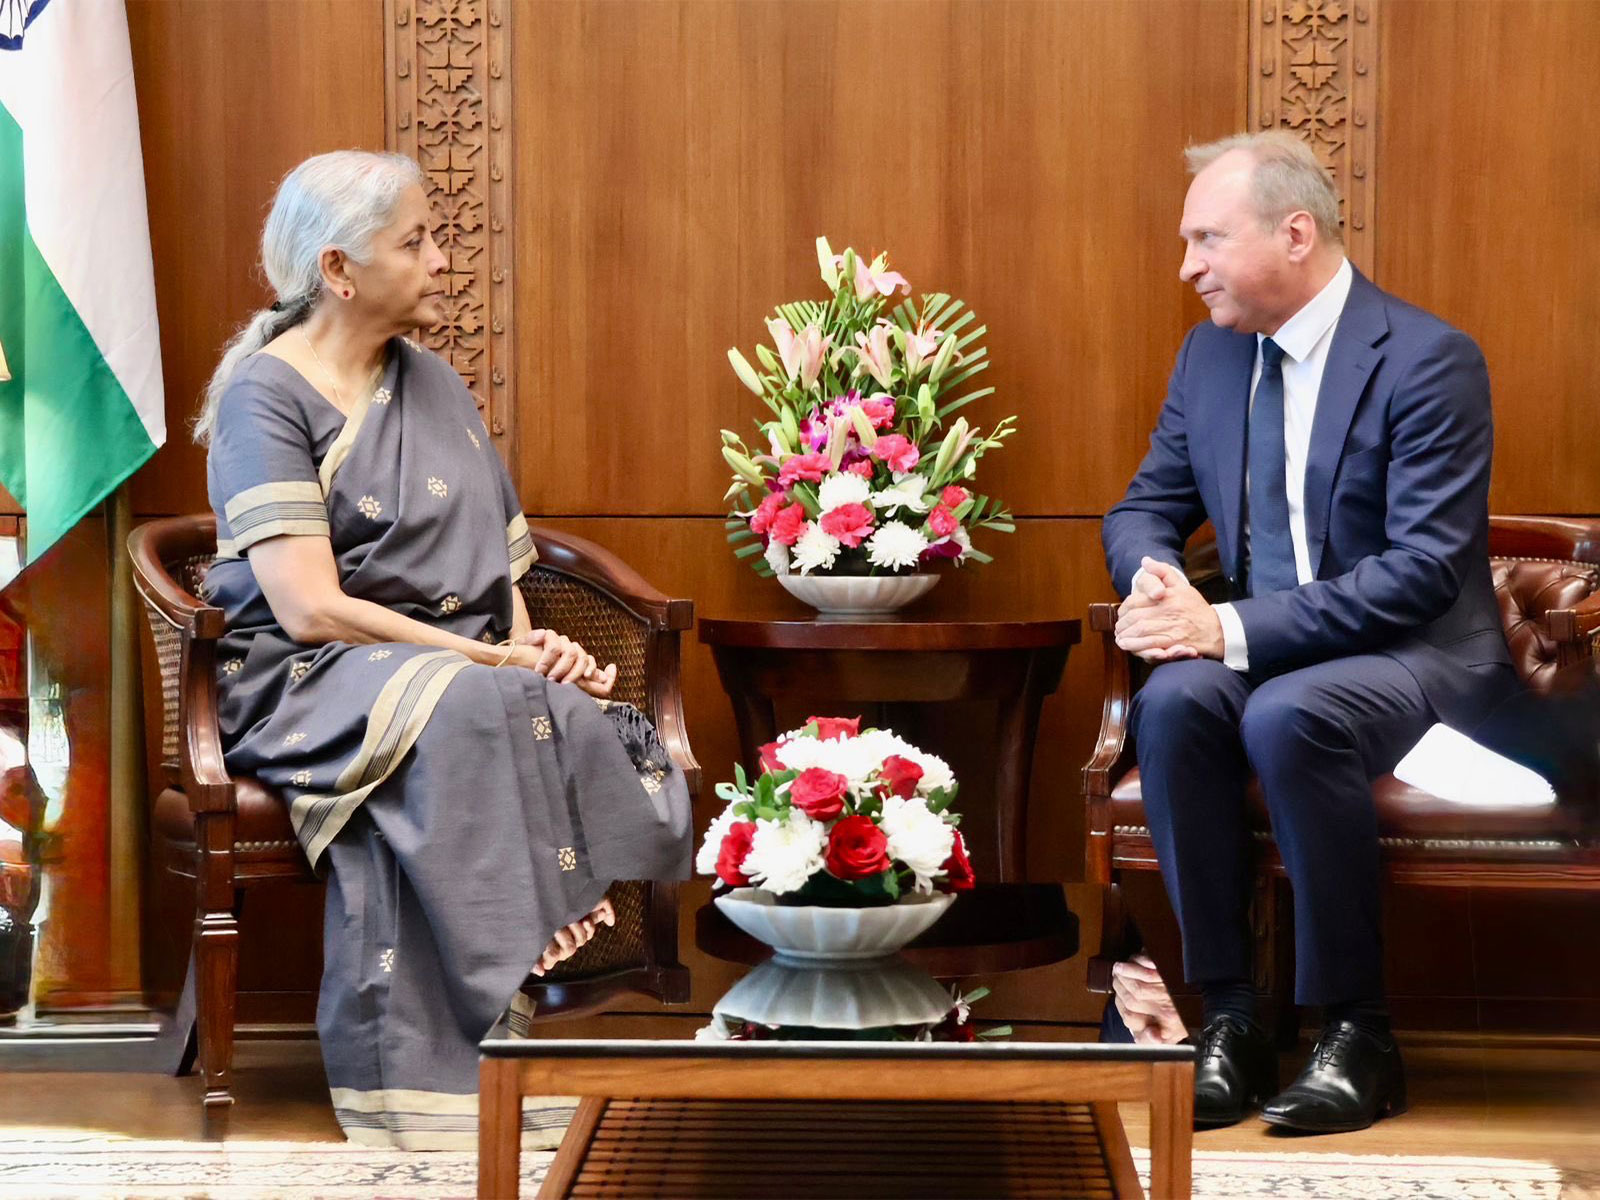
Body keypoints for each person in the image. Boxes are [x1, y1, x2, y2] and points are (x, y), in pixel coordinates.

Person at [194, 151, 692, 1149]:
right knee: (480, 703)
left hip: (447, 675)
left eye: (437, 236)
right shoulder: (265, 397)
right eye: (414, 241)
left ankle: (502, 1021)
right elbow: (308, 610)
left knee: (567, 708)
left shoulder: (429, 383)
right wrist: (489, 667)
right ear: (339, 268)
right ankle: (450, 1054)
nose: (442, 260)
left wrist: (533, 650)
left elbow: (495, 579)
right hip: (300, 681)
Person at [1102, 132, 1516, 1133]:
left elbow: (1420, 570)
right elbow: (1142, 506)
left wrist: (1224, 624)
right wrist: (1155, 583)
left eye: (1206, 238)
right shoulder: (1208, 353)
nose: (1185, 266)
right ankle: (1232, 1021)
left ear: (1295, 233)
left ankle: (1358, 1033)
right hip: (1263, 647)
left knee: (1291, 714)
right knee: (1174, 699)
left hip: (1416, 654)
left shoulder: (1428, 359)